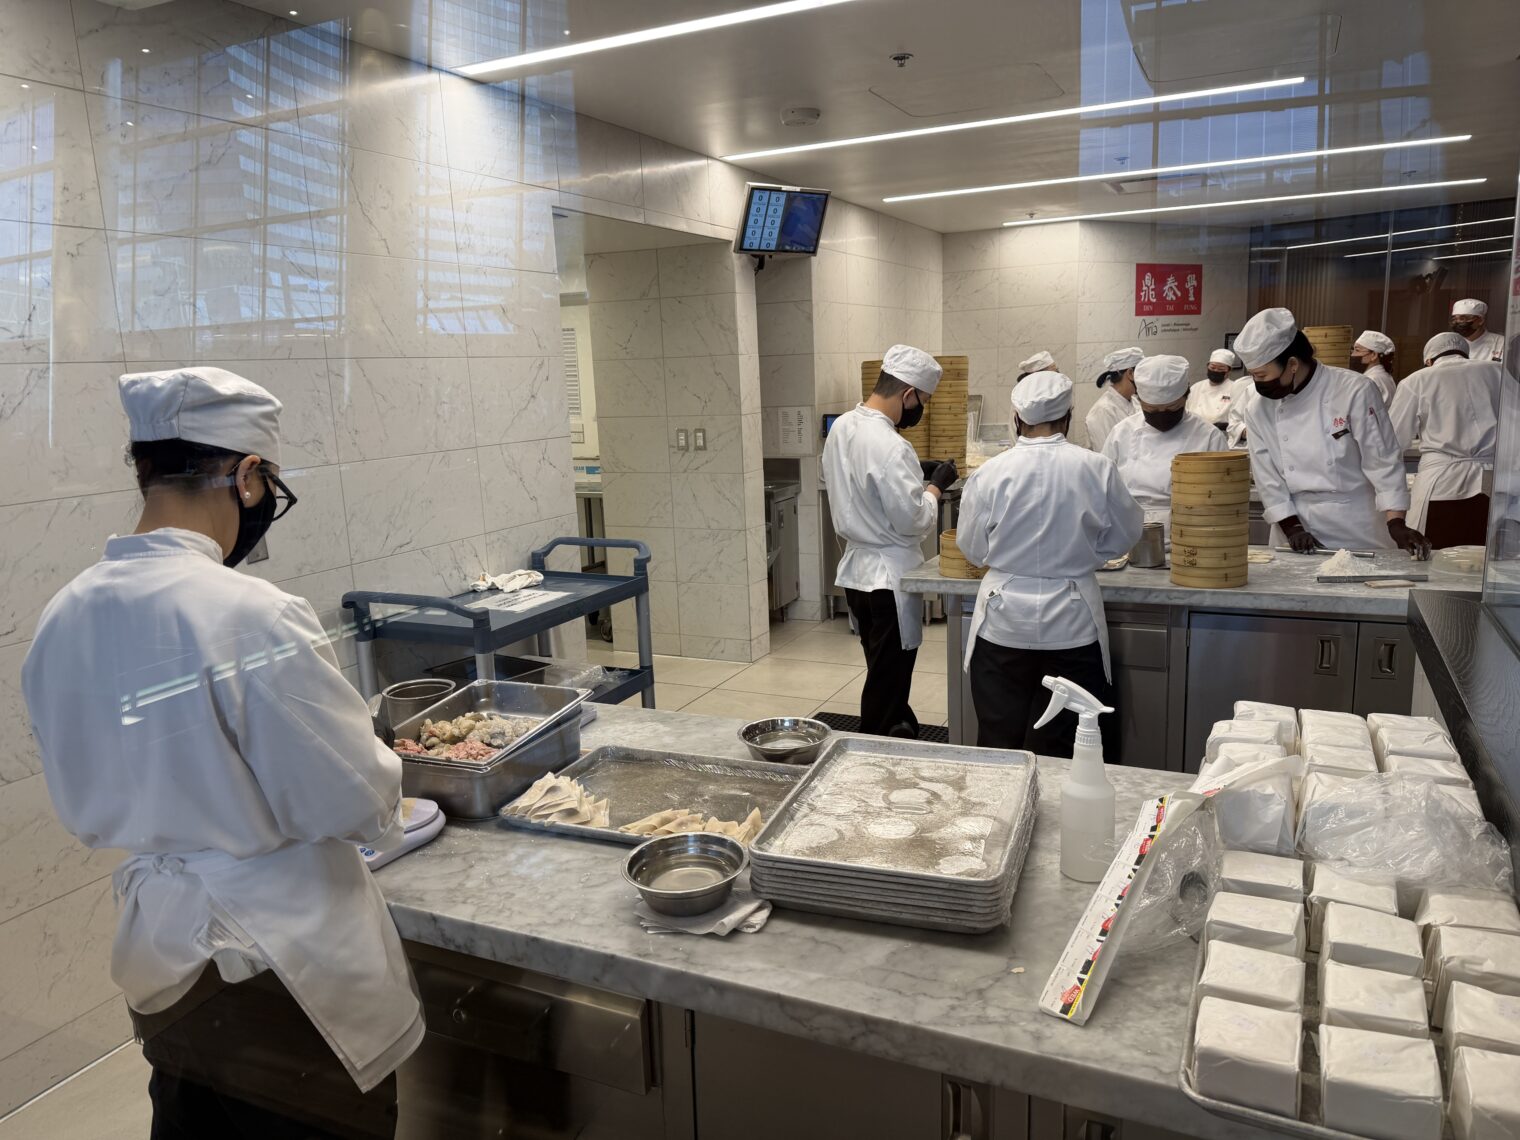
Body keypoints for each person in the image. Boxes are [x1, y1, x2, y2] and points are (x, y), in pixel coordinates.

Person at [21, 368, 422, 1138]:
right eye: (267, 484)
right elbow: (356, 800)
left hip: (162, 959)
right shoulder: (252, 614)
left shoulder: (62, 615)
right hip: (279, 969)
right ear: (246, 477)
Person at [957, 371, 1143, 760]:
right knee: (1066, 745)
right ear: (1068, 417)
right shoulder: (1097, 468)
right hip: (1072, 625)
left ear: (1016, 419)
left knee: (1000, 740)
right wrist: (1088, 555)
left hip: (1003, 624)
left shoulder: (990, 472)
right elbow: (1126, 534)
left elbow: (972, 548)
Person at [823, 344, 956, 738]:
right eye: (922, 402)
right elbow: (914, 521)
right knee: (887, 681)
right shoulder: (892, 445)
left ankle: (901, 725)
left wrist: (915, 474)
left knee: (882, 671)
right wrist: (934, 488)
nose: (920, 411)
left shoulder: (841, 427)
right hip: (887, 580)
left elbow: (862, 485)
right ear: (907, 393)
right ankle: (875, 745)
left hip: (856, 577)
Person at [1236, 308, 1430, 557]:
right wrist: (1292, 528)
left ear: (1292, 364)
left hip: (1357, 525)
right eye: (1253, 376)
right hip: (1295, 528)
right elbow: (1267, 476)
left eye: (1262, 375)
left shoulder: (1354, 390)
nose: (1258, 384)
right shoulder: (1258, 408)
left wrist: (1396, 523)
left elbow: (1383, 461)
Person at [1388, 331, 1501, 547]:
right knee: (1484, 554)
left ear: (1429, 360)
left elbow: (1393, 441)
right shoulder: (1497, 372)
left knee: (1434, 552)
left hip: (1441, 484)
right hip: (1492, 481)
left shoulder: (1417, 380)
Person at [1104, 354, 1228, 541]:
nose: (1162, 415)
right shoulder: (1121, 433)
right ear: (1139, 400)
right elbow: (1104, 487)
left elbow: (1223, 494)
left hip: (1191, 532)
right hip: (1130, 532)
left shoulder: (1209, 436)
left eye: (1171, 408)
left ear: (1186, 396)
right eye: (1152, 410)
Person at [1085, 346, 1143, 451]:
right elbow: (1106, 455)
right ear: (1130, 373)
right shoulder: (1102, 411)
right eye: (1142, 373)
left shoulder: (1135, 402)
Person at [1185, 348, 1242, 429]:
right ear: (1207, 367)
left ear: (1229, 371)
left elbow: (1239, 418)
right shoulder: (1196, 387)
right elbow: (1185, 412)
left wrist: (1226, 426)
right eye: (1212, 367)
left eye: (1221, 369)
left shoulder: (1235, 388)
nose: (1216, 371)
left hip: (1222, 433)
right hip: (1195, 431)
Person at [1450, 298, 1504, 364]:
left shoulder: (1501, 343)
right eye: (1455, 319)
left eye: (1462, 318)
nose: (1458, 322)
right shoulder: (1451, 343)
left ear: (1480, 320)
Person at [1351, 330, 1397, 404]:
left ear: (1374, 355)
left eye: (1357, 350)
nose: (1353, 355)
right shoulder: (1383, 375)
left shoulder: (1372, 380)